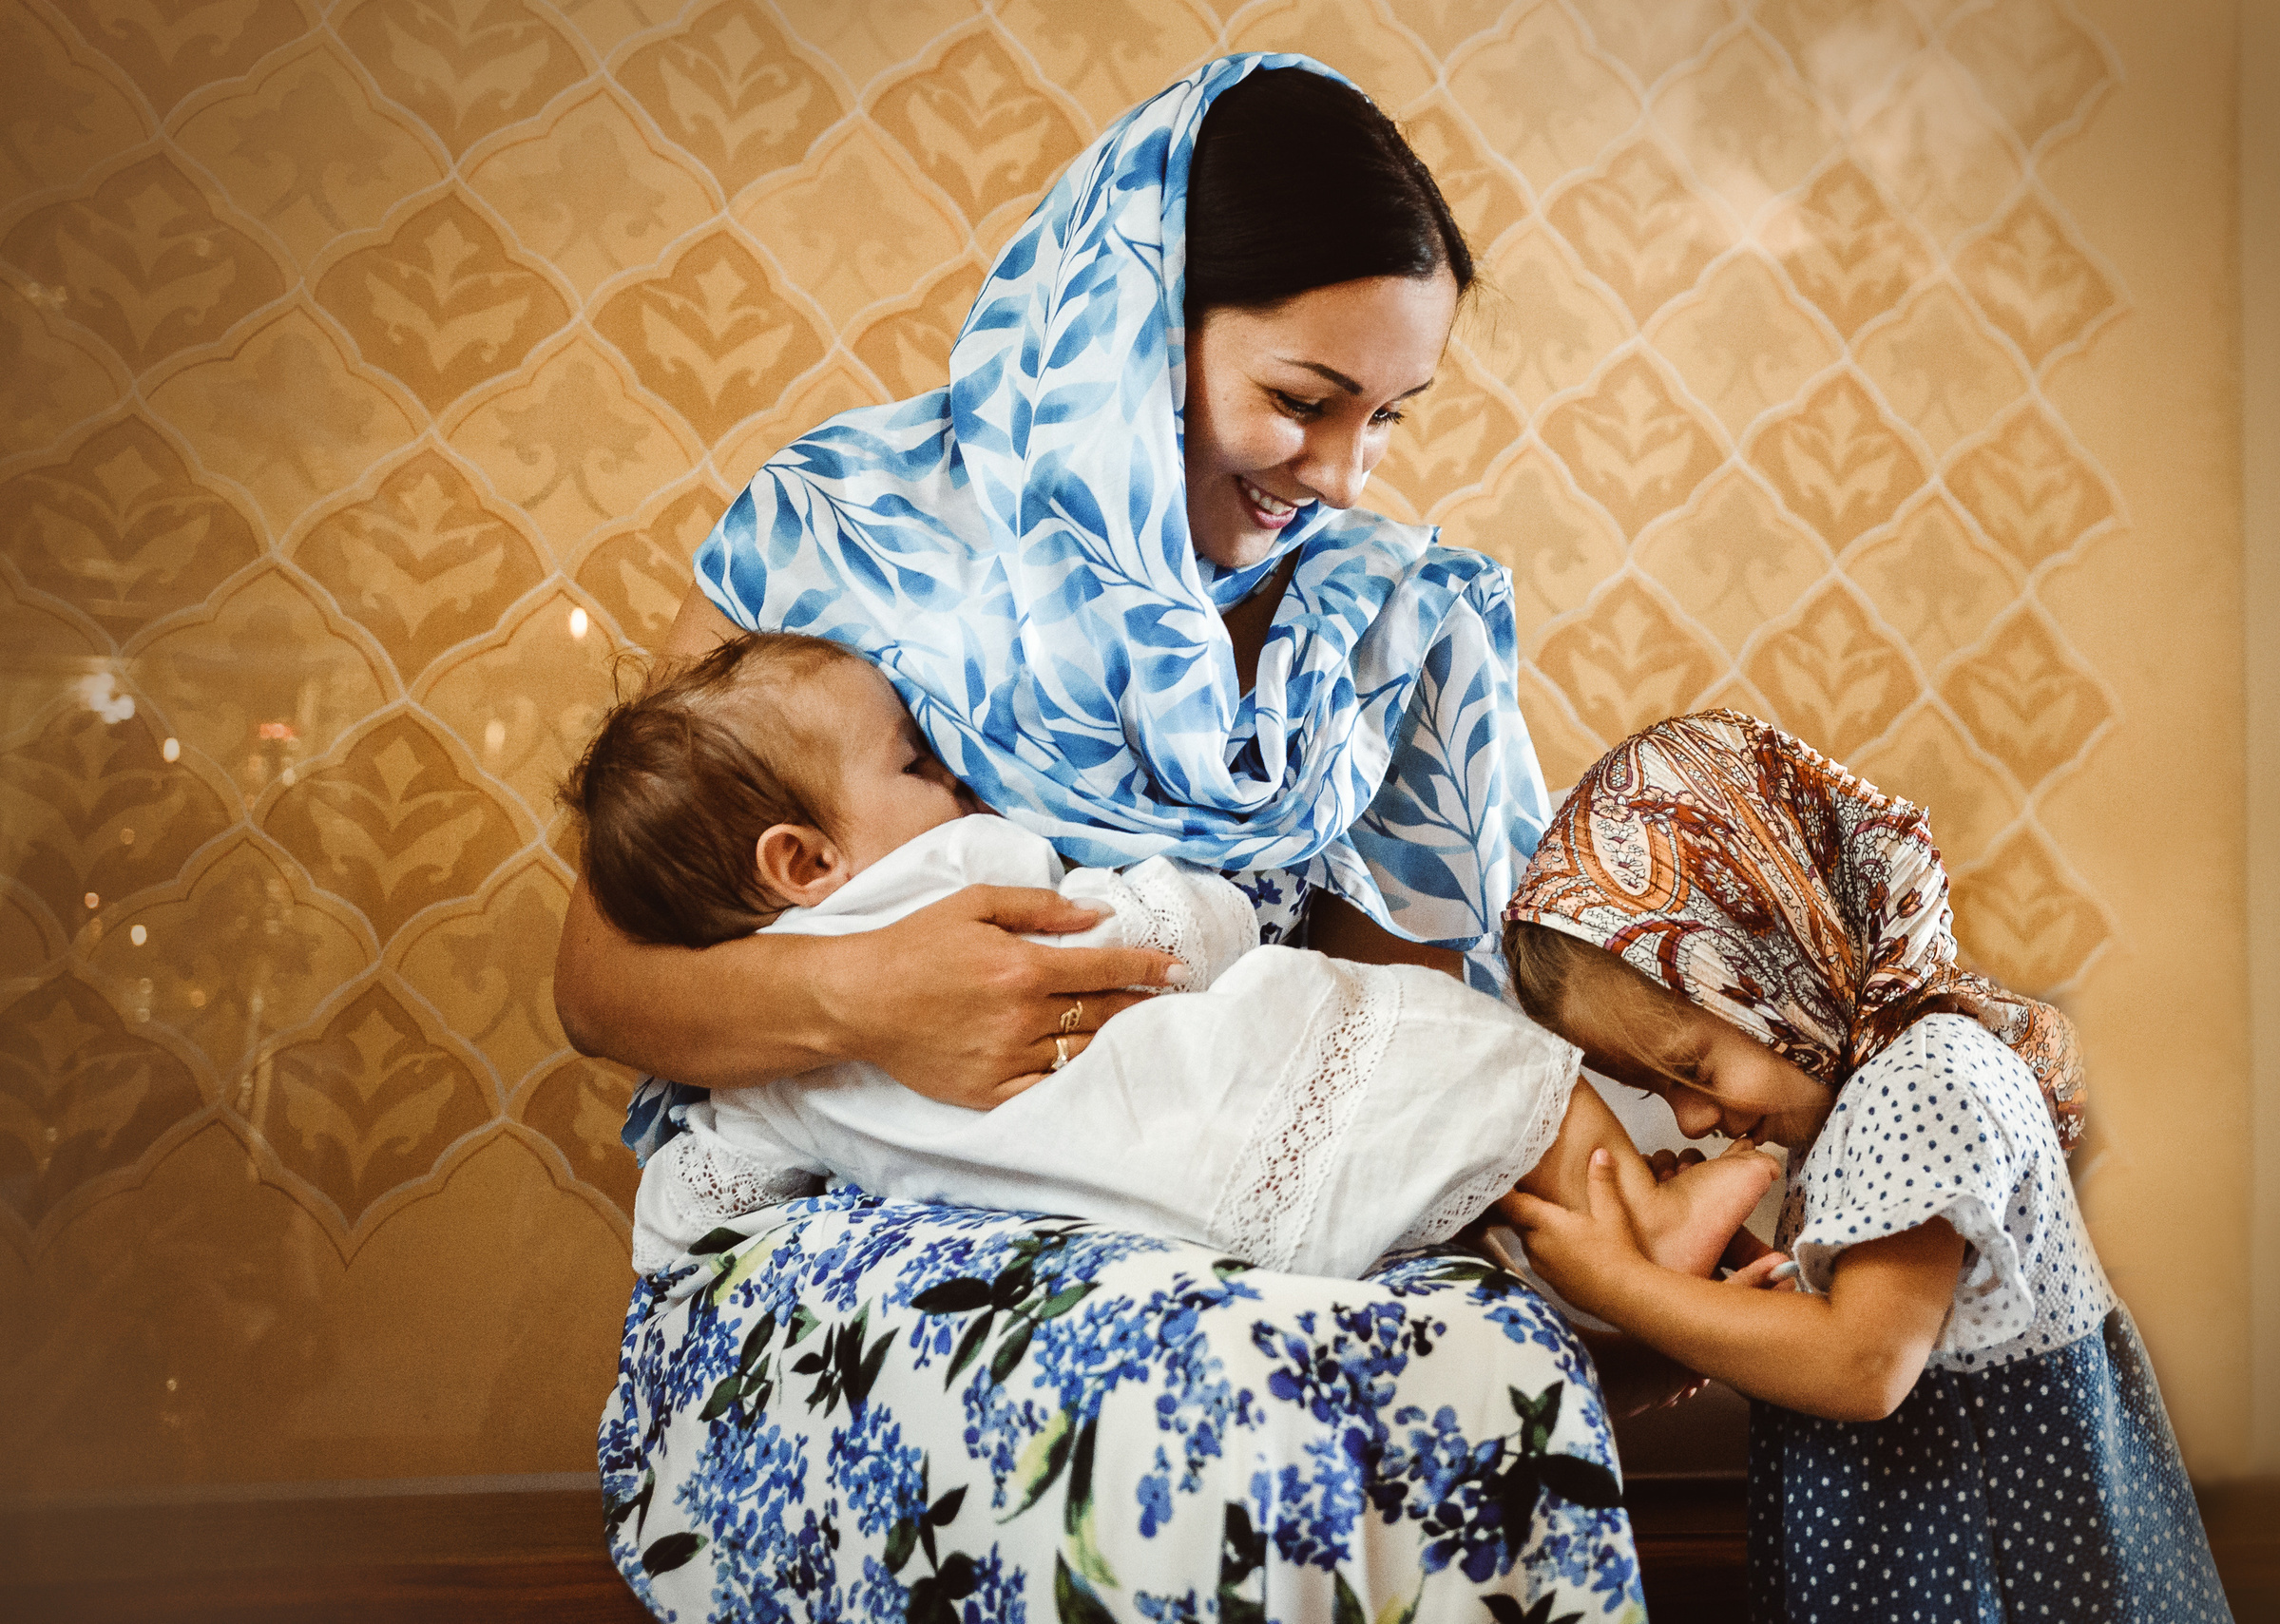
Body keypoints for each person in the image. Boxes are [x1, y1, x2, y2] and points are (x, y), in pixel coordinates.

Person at [568, 57, 1658, 1621]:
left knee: (1465, 1367)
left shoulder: (1392, 623)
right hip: (875, 1195)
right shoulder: (844, 527)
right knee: (1214, 1414)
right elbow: (600, 975)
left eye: (1387, 417)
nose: (1343, 473)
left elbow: (1386, 1036)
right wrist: (873, 1000)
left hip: (1242, 1169)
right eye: (1300, 400)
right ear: (1136, 329)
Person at [564, 629, 1781, 1280]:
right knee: (1464, 1050)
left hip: (1157, 1214)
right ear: (802, 862)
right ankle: (1643, 1216)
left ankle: (1632, 1255)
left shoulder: (755, 1070)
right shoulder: (945, 881)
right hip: (1222, 1101)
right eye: (914, 765)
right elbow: (1143, 942)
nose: (952, 777)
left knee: (1446, 1149)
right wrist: (1201, 907)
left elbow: (701, 1195)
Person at [1494, 710, 2235, 1623]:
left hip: (2000, 1578)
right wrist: (1727, 1294)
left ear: (1779, 960)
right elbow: (1870, 1316)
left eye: (1692, 1068)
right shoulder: (1863, 1091)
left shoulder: (1922, 1080)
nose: (1689, 1114)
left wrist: (1618, 1285)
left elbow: (1864, 1361)